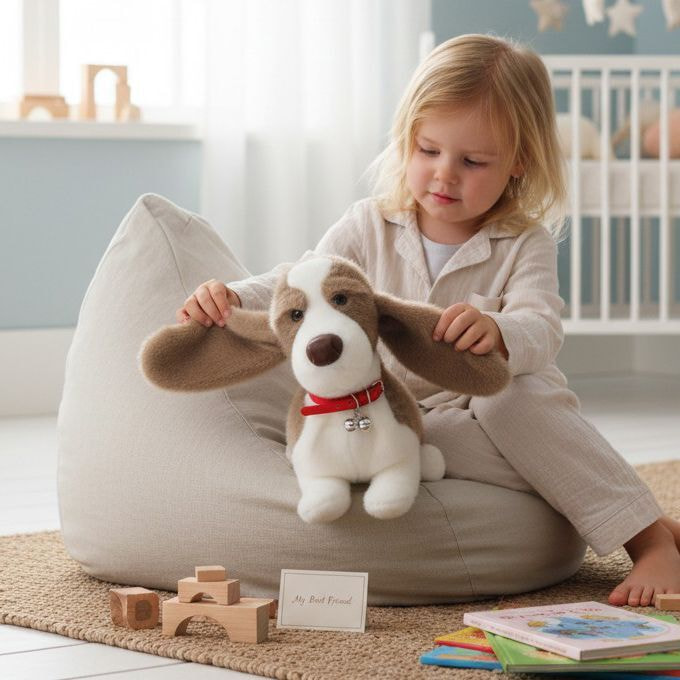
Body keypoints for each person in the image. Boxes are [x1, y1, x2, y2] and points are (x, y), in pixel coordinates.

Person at [176, 34, 680, 607]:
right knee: (395, 439)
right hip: (415, 416)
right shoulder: (367, 226)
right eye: (428, 150)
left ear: (518, 162)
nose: (444, 175)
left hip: (505, 398)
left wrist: (502, 333)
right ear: (406, 141)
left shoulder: (523, 242)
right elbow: (298, 284)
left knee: (511, 404)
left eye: (472, 162)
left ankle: (647, 542)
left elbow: (543, 327)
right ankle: (644, 517)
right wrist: (232, 296)